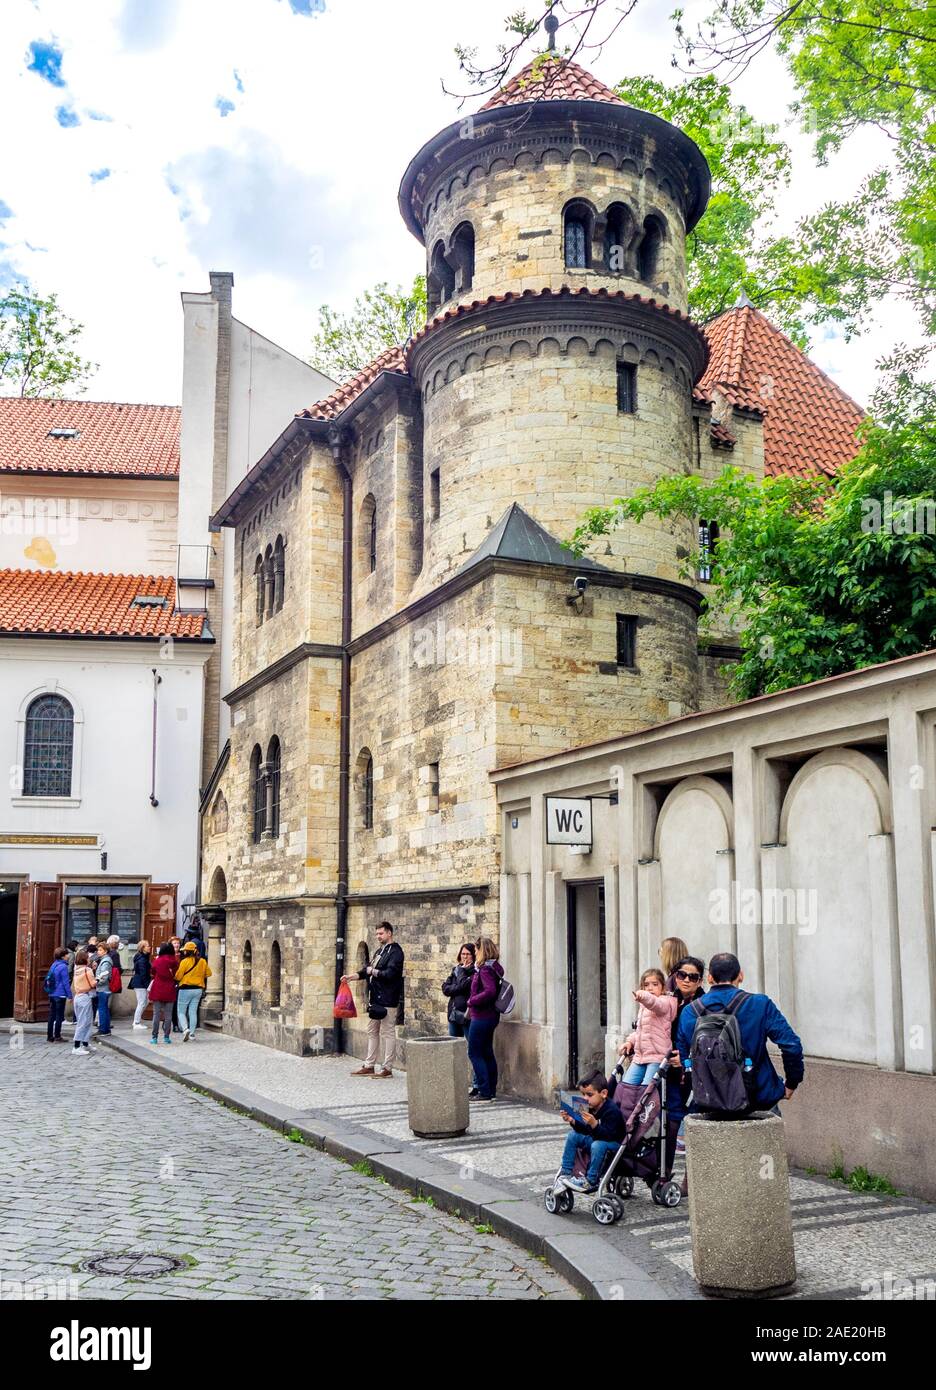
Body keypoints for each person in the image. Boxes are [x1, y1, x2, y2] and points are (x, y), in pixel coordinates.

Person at [674, 951, 804, 1115]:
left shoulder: (689, 1012)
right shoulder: (759, 1004)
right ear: (740, 975)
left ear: (709, 978)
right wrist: (792, 1082)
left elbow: (686, 1060)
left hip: (709, 1101)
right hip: (757, 1097)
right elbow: (792, 1045)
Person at [341, 921, 404, 1078]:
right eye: (376, 934)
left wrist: (373, 971)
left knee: (388, 1032)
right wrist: (351, 977)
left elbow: (390, 974)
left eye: (381, 933)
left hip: (388, 999)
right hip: (375, 999)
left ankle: (387, 1068)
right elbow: (366, 971)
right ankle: (369, 1065)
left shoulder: (396, 952)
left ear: (389, 933)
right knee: (372, 1031)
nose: (378, 936)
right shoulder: (379, 951)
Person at [557, 1069, 627, 1194]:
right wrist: (572, 1120)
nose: (585, 1099)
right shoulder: (589, 1107)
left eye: (589, 1095)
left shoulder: (611, 1110)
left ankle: (591, 1180)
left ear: (604, 1093)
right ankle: (566, 1173)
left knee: (597, 1145)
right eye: (583, 1094)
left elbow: (609, 1135)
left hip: (613, 1143)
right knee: (573, 1136)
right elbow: (585, 1130)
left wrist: (594, 1124)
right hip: (596, 1138)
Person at [668, 955, 705, 1156]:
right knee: (672, 1106)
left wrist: (684, 1058)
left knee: (696, 1104)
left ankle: (684, 1138)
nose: (687, 980)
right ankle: (673, 1145)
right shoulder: (669, 1000)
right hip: (670, 1066)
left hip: (695, 1066)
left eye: (693, 977)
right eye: (682, 975)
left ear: (700, 981)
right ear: (675, 976)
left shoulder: (703, 1005)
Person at [617, 967, 677, 1086]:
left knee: (646, 1089)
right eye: (646, 985)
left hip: (657, 1057)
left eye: (655, 984)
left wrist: (642, 995)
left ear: (663, 987)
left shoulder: (665, 1003)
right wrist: (630, 1042)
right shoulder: (644, 1008)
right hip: (640, 1057)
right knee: (627, 1086)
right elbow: (641, 1030)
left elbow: (654, 1002)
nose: (650, 988)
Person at [467, 936, 504, 1102]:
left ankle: (484, 1090)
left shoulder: (485, 970)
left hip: (482, 1016)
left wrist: (472, 1000)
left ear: (482, 950)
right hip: (491, 1016)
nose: (474, 953)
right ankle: (490, 1090)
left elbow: (489, 991)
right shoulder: (494, 967)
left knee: (474, 1052)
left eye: (476, 950)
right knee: (487, 1052)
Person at [442, 942, 479, 1093]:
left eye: (468, 954)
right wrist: (456, 988)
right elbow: (445, 988)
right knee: (454, 1049)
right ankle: (455, 1082)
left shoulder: (474, 971)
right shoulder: (456, 969)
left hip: (467, 1015)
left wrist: (460, 978)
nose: (464, 957)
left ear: (473, 955)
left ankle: (476, 1085)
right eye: (463, 954)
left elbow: (465, 986)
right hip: (453, 1014)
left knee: (473, 1050)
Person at [175, 941, 212, 1041]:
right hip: (198, 989)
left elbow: (178, 976)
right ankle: (192, 1034)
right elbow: (209, 974)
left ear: (187, 951)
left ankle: (185, 1029)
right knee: (193, 1011)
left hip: (185, 989)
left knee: (181, 1012)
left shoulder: (184, 962)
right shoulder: (202, 961)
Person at [149, 942, 179, 1045]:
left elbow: (152, 972)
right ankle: (166, 1037)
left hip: (158, 988)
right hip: (169, 989)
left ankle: (154, 1037)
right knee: (168, 1015)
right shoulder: (174, 962)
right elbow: (176, 974)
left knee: (156, 1014)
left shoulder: (158, 960)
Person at [71, 949, 97, 1056]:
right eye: (87, 958)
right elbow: (92, 984)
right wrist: (99, 979)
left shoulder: (77, 969)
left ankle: (85, 1043)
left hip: (77, 996)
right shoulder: (88, 970)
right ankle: (76, 1046)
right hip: (85, 997)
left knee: (85, 1020)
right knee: (84, 1021)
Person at [46, 947, 72, 1042]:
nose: (68, 956)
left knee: (51, 1015)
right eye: (66, 954)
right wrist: (70, 995)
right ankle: (57, 1036)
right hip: (60, 994)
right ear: (63, 956)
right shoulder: (63, 967)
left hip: (52, 993)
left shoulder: (54, 965)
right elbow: (66, 983)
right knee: (59, 1016)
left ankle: (49, 1036)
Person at [129, 940, 152, 1029]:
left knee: (144, 1002)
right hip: (140, 983)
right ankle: (136, 1022)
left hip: (140, 983)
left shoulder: (143, 957)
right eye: (147, 946)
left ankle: (137, 1021)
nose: (149, 947)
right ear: (142, 948)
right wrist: (148, 986)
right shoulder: (142, 959)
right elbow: (143, 974)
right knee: (142, 1003)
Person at [94, 942, 115, 1036]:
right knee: (104, 1009)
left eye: (100, 950)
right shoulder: (104, 960)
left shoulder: (106, 961)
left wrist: (96, 983)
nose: (98, 952)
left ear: (105, 951)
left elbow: (104, 976)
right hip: (103, 988)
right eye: (98, 950)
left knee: (102, 1009)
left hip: (103, 988)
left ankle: (103, 1029)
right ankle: (106, 1029)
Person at [169, 937, 184, 1032]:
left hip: (181, 981)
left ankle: (179, 1024)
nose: (176, 945)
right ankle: (173, 1023)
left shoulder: (183, 956)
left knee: (179, 1003)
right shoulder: (169, 956)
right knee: (171, 1004)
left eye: (178, 943)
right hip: (171, 981)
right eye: (174, 943)